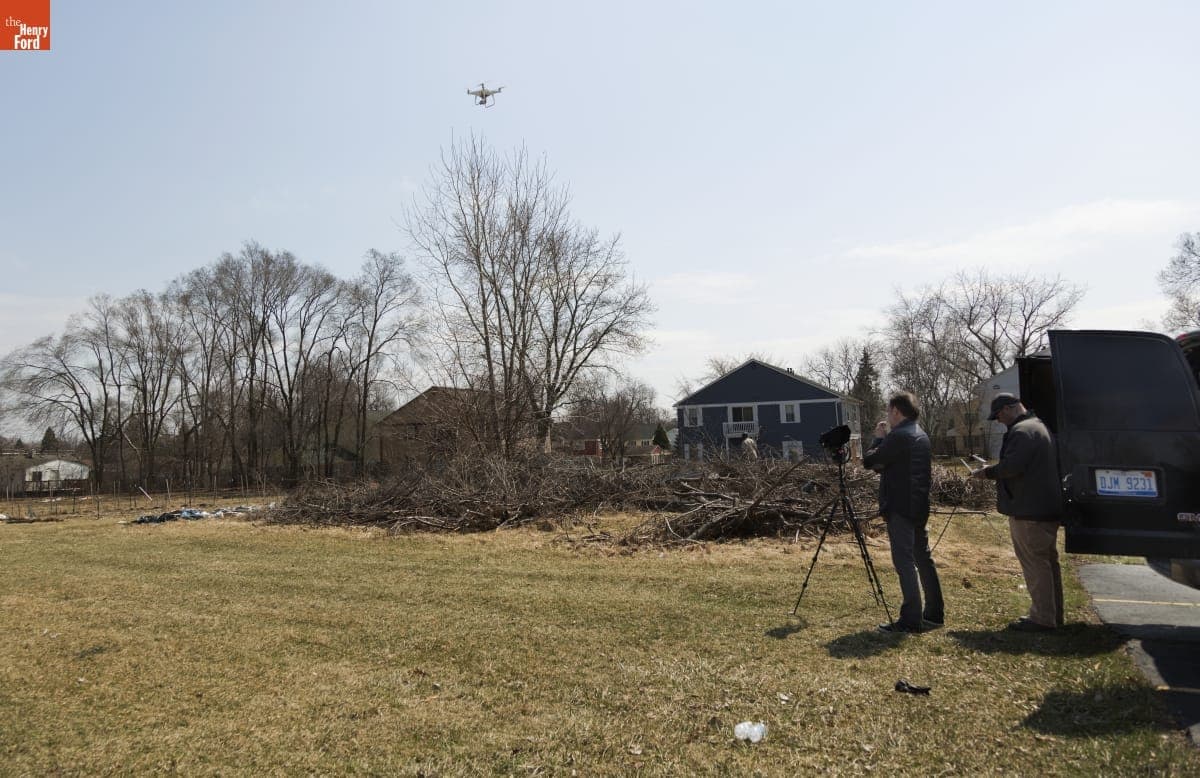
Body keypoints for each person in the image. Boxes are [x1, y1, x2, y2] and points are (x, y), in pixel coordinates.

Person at [972, 393, 1064, 632]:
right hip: (1042, 506)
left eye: (1000, 415)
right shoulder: (1038, 427)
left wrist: (987, 472)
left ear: (1011, 408)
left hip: (1029, 510)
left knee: (1035, 563)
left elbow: (1013, 466)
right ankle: (1053, 614)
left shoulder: (1022, 432)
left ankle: (1043, 618)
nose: (1000, 420)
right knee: (1046, 563)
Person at [862, 392, 944, 633]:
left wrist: (878, 439)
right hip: (919, 505)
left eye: (889, 411)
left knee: (904, 561)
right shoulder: (920, 434)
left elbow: (870, 461)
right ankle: (934, 613)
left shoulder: (898, 436)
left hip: (900, 506)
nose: (888, 416)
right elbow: (893, 464)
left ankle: (911, 619)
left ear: (897, 411)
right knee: (922, 558)